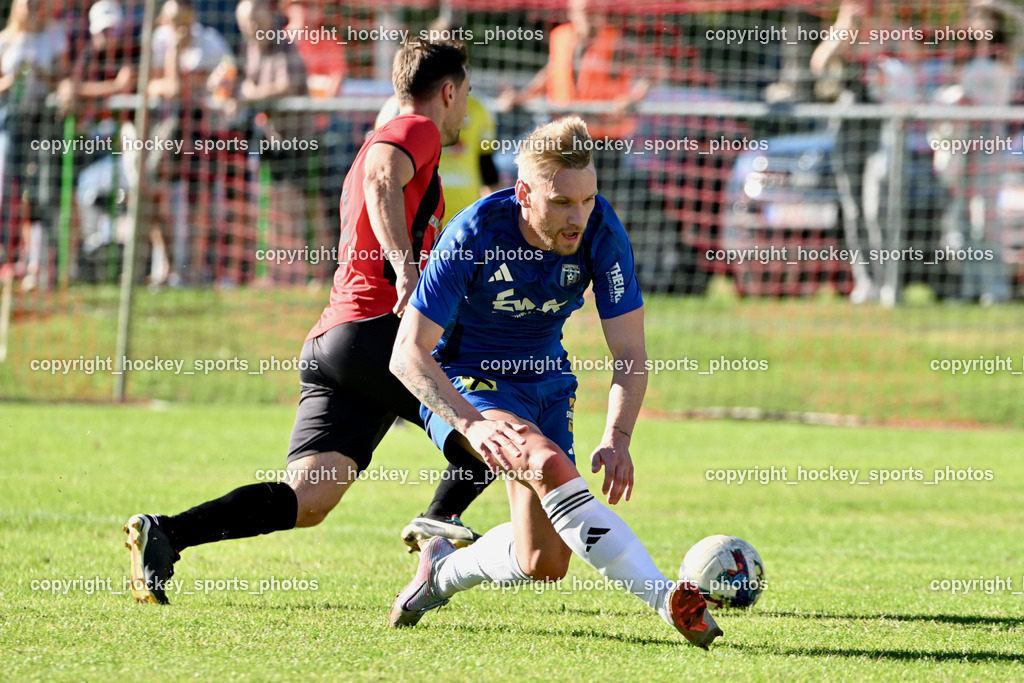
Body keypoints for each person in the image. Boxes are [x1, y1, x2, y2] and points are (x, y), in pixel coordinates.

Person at [123, 40, 490, 604]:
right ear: (446, 92)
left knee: (306, 501)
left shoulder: (405, 141)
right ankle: (437, 526)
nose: (467, 106)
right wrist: (405, 267)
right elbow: (379, 178)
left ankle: (168, 533)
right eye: (465, 93)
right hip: (377, 337)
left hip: (335, 345)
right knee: (491, 430)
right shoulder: (412, 126)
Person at [386, 116, 722, 649]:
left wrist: (618, 437)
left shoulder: (603, 233)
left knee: (542, 562)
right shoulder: (474, 234)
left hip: (546, 383)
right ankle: (667, 599)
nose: (580, 217)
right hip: (470, 384)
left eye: (588, 199)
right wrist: (471, 425)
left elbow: (631, 354)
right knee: (545, 463)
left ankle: (441, 572)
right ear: (523, 192)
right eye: (563, 202)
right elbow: (407, 355)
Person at [810, 0, 884, 303]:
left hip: (883, 129)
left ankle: (886, 281)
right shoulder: (841, 34)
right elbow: (818, 64)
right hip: (849, 128)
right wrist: (844, 24)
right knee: (853, 209)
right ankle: (865, 282)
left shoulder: (888, 33)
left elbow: (911, 60)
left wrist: (879, 27)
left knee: (877, 206)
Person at [0, 0, 69, 291]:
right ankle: (7, 256)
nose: (32, 7)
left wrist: (42, 75)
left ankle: (36, 263)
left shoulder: (53, 34)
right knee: (7, 187)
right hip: (10, 121)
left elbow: (63, 79)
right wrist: (11, 81)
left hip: (43, 121)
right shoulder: (5, 39)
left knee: (38, 191)